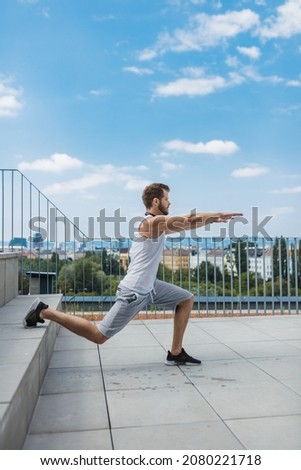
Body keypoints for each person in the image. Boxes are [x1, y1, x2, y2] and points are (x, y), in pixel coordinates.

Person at [23, 183, 242, 366]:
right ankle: (45, 312)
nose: (170, 202)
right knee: (99, 336)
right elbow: (187, 221)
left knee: (185, 298)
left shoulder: (155, 224)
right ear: (155, 201)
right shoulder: (150, 223)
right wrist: (217, 216)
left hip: (150, 286)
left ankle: (175, 353)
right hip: (135, 291)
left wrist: (213, 218)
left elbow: (186, 222)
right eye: (167, 199)